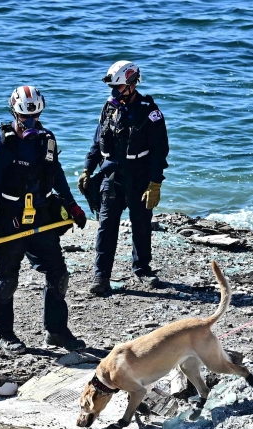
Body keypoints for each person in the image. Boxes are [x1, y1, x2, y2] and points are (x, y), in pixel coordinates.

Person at [0, 86, 88, 355]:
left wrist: (71, 204)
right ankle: (3, 335)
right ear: (14, 113)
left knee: (59, 274)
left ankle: (56, 331)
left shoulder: (46, 140)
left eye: (35, 116)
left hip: (40, 216)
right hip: (8, 219)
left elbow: (57, 173)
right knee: (7, 280)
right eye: (25, 117)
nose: (30, 122)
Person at [80, 61, 169, 296]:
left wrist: (155, 182)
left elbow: (161, 150)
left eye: (118, 87)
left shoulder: (150, 111)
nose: (114, 91)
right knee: (106, 226)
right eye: (113, 86)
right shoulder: (108, 108)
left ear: (131, 84)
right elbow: (97, 142)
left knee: (141, 225)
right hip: (112, 176)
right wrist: (87, 169)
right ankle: (101, 276)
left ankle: (143, 270)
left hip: (140, 176)